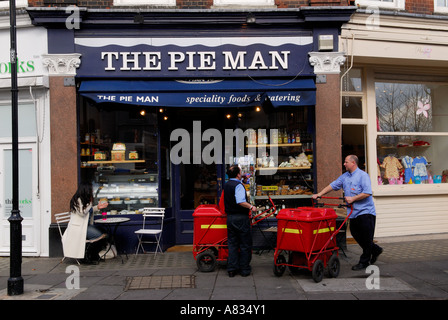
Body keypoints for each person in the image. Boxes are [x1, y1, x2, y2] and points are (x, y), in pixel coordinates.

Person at [312, 155, 383, 270]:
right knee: (355, 234)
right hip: (354, 212)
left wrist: (353, 199)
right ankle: (375, 250)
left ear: (353, 163)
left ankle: (364, 261)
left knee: (366, 237)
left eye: (346, 162)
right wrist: (320, 194)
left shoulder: (363, 176)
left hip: (366, 212)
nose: (344, 164)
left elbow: (367, 193)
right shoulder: (345, 176)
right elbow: (333, 185)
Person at [62, 182, 108, 263]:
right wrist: (90, 203)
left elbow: (87, 210)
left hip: (85, 227)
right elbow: (82, 212)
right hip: (78, 228)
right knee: (100, 235)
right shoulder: (78, 200)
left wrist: (97, 207)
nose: (92, 191)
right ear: (86, 190)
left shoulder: (84, 200)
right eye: (91, 190)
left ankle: (93, 255)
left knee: (104, 232)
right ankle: (87, 257)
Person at [223, 165, 257, 277]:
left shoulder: (227, 184)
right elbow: (240, 201)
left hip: (230, 217)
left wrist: (244, 180)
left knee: (232, 244)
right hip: (240, 218)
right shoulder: (238, 185)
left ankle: (232, 269)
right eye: (240, 172)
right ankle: (244, 269)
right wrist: (251, 207)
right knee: (244, 244)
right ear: (238, 174)